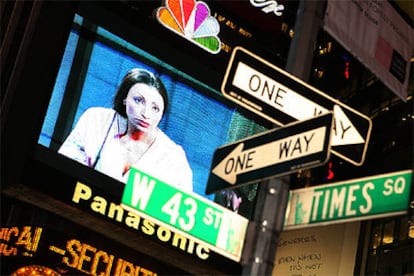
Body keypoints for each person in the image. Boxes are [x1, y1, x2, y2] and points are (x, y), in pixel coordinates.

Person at [58, 68, 193, 191]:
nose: (146, 114)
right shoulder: (96, 119)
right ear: (125, 99)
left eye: (155, 108)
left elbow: (179, 210)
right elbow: (63, 168)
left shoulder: (174, 157)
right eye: (139, 101)